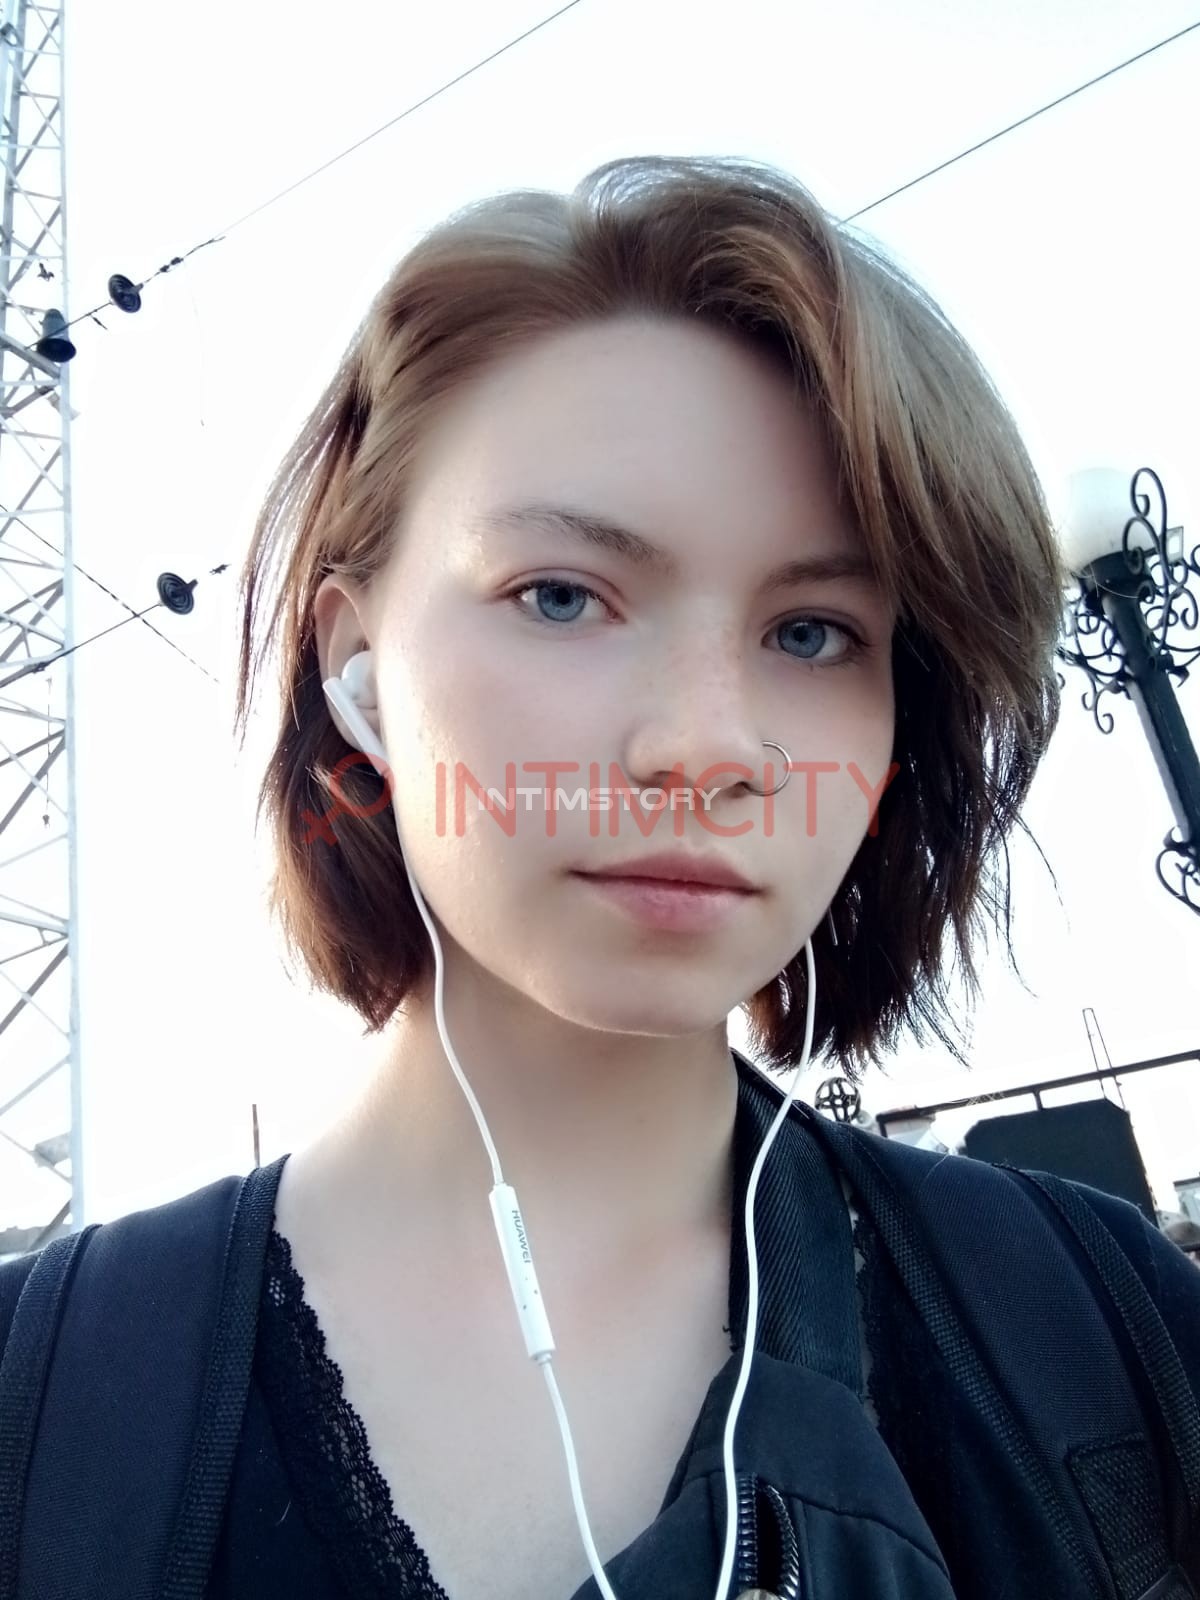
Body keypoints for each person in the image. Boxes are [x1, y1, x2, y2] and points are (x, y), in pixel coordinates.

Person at [3, 154, 1198, 1600]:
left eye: (814, 632)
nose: (707, 747)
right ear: (356, 663)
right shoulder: (44, 1409)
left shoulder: (1111, 1337)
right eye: (561, 596)